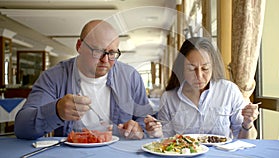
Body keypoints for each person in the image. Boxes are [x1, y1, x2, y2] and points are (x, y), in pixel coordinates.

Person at [14, 20, 153, 140]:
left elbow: (145, 120)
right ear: (79, 46)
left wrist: (139, 129)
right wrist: (56, 111)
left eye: (112, 53)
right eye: (98, 51)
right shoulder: (54, 77)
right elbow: (22, 128)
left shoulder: (131, 77)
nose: (105, 60)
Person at [145, 37, 259, 139]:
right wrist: (156, 132)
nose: (199, 76)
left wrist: (248, 123)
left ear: (213, 66)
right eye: (191, 69)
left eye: (205, 68)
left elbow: (246, 139)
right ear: (181, 68)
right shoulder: (169, 98)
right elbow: (165, 140)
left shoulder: (229, 91)